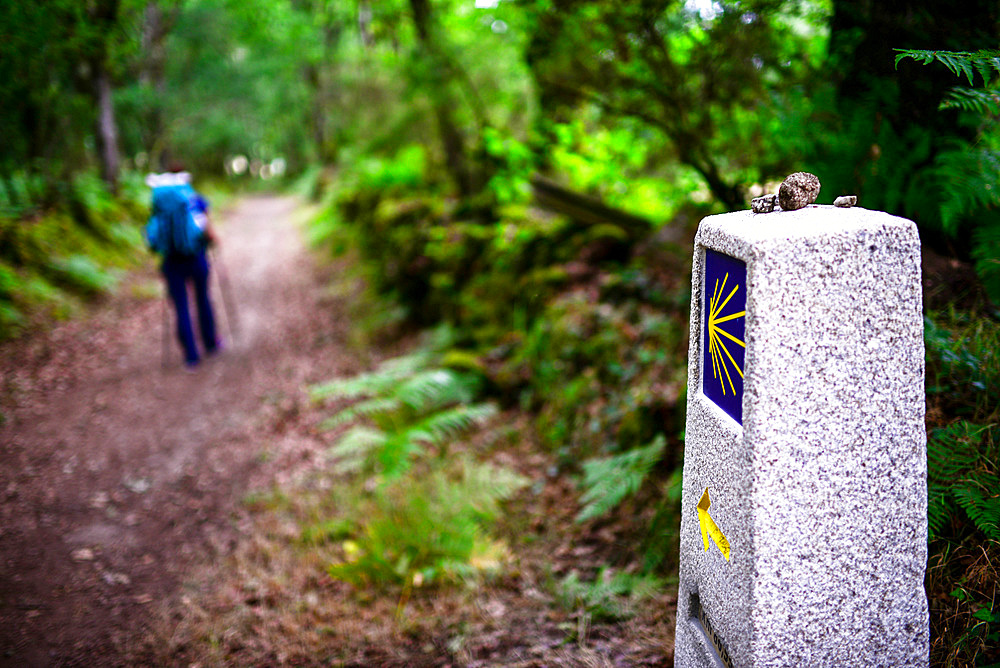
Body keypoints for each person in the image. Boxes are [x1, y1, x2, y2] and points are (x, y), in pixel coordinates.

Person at [145, 166, 221, 369]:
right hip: (196, 257)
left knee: (180, 306)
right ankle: (211, 343)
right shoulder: (195, 199)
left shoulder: (159, 201)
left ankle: (190, 355)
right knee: (203, 298)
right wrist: (212, 242)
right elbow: (208, 230)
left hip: (171, 262)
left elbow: (153, 238)